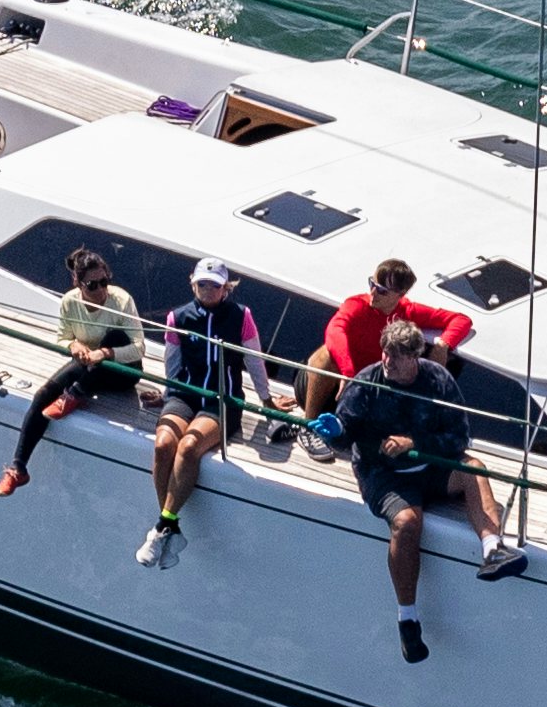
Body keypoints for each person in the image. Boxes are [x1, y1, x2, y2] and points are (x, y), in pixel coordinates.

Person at [342, 319, 499, 656]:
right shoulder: (367, 383)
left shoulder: (438, 379)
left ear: (415, 357)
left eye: (397, 357)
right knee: (407, 523)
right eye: (385, 353)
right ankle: (408, 620)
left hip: (430, 467)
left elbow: (459, 437)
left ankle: (492, 549)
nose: (388, 361)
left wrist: (414, 442)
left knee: (473, 468)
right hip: (385, 474)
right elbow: (346, 430)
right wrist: (333, 430)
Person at [138, 258, 273, 568]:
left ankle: (162, 525)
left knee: (187, 448)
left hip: (221, 400)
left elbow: (254, 360)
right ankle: (168, 529)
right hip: (185, 395)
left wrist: (266, 400)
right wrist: (166, 394)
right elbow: (172, 363)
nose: (208, 290)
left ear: (226, 288)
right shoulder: (178, 317)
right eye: (202, 284)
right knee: (162, 445)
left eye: (215, 285)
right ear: (192, 283)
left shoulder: (241, 317)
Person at [0, 244, 142, 493]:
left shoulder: (121, 300)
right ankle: (18, 468)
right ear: (78, 283)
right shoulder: (69, 302)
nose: (100, 290)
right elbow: (62, 337)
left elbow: (138, 348)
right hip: (88, 365)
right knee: (42, 395)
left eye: (104, 282)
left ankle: (75, 394)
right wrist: (74, 345)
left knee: (115, 336)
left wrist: (104, 353)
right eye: (92, 285)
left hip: (121, 370)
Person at [299, 258, 474, 422]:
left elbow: (462, 320)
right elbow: (335, 330)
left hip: (364, 394)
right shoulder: (357, 305)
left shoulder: (408, 312)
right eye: (372, 284)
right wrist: (348, 373)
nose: (373, 293)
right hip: (324, 388)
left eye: (382, 290)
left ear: (400, 294)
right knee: (325, 356)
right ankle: (308, 425)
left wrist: (443, 345)